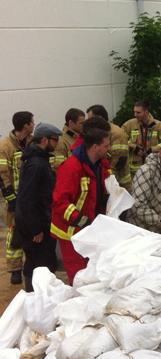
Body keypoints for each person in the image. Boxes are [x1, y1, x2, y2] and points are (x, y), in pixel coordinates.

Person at [51, 121, 111, 284]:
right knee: (79, 278)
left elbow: (96, 196)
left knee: (92, 273)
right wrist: (81, 220)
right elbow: (59, 203)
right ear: (94, 147)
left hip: (90, 229)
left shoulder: (99, 165)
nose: (109, 149)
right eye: (106, 145)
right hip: (71, 232)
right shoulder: (71, 167)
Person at [15, 123, 61, 292]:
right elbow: (28, 198)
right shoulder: (36, 163)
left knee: (40, 262)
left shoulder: (38, 159)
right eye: (55, 140)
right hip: (36, 225)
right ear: (44, 140)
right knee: (39, 264)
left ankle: (37, 298)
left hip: (37, 221)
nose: (57, 144)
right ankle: (34, 298)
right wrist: (35, 229)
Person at [0, 111, 34, 285]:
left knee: (33, 230)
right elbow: (2, 173)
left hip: (31, 198)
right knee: (14, 232)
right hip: (15, 198)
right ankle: (14, 270)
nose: (34, 125)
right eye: (32, 122)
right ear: (25, 126)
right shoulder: (5, 146)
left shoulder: (32, 143)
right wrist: (10, 196)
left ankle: (32, 266)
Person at [122, 100, 161, 179]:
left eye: (138, 112)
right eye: (134, 112)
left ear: (146, 112)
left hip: (153, 169)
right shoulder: (129, 124)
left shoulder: (158, 125)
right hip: (134, 171)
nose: (135, 115)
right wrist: (134, 147)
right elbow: (120, 140)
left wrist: (153, 150)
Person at [87, 104, 132, 191]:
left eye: (91, 119)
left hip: (119, 184)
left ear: (99, 118)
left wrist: (106, 177)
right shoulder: (100, 132)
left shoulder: (116, 133)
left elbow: (119, 160)